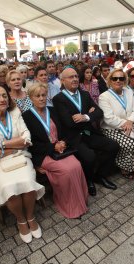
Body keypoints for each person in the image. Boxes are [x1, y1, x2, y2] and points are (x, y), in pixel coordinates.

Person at [0, 84, 45, 243]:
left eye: (4, 95)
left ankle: (30, 216)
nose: (2, 99)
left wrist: (2, 144)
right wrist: (16, 144)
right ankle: (21, 220)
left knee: (27, 181)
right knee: (9, 187)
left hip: (20, 157)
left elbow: (27, 138)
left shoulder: (15, 113)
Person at [23, 83, 88, 218]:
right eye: (37, 96)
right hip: (43, 153)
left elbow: (64, 130)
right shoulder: (26, 117)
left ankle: (79, 201)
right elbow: (31, 144)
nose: (41, 98)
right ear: (31, 98)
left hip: (61, 149)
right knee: (66, 171)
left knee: (76, 165)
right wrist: (52, 147)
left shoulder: (52, 111)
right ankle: (67, 203)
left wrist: (63, 141)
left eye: (43, 95)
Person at [53, 67, 119, 196]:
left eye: (76, 76)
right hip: (73, 137)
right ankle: (88, 181)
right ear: (62, 80)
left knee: (113, 146)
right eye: (71, 77)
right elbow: (69, 123)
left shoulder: (84, 94)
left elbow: (99, 112)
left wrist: (85, 117)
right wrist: (88, 113)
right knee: (90, 156)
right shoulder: (58, 99)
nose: (75, 79)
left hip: (89, 132)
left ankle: (99, 176)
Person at [98, 68, 134, 181]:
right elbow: (109, 119)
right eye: (115, 78)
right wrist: (126, 123)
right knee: (128, 144)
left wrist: (130, 121)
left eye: (121, 78)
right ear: (110, 81)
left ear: (124, 80)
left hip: (130, 125)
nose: (118, 80)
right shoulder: (104, 97)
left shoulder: (128, 92)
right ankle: (125, 168)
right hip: (112, 128)